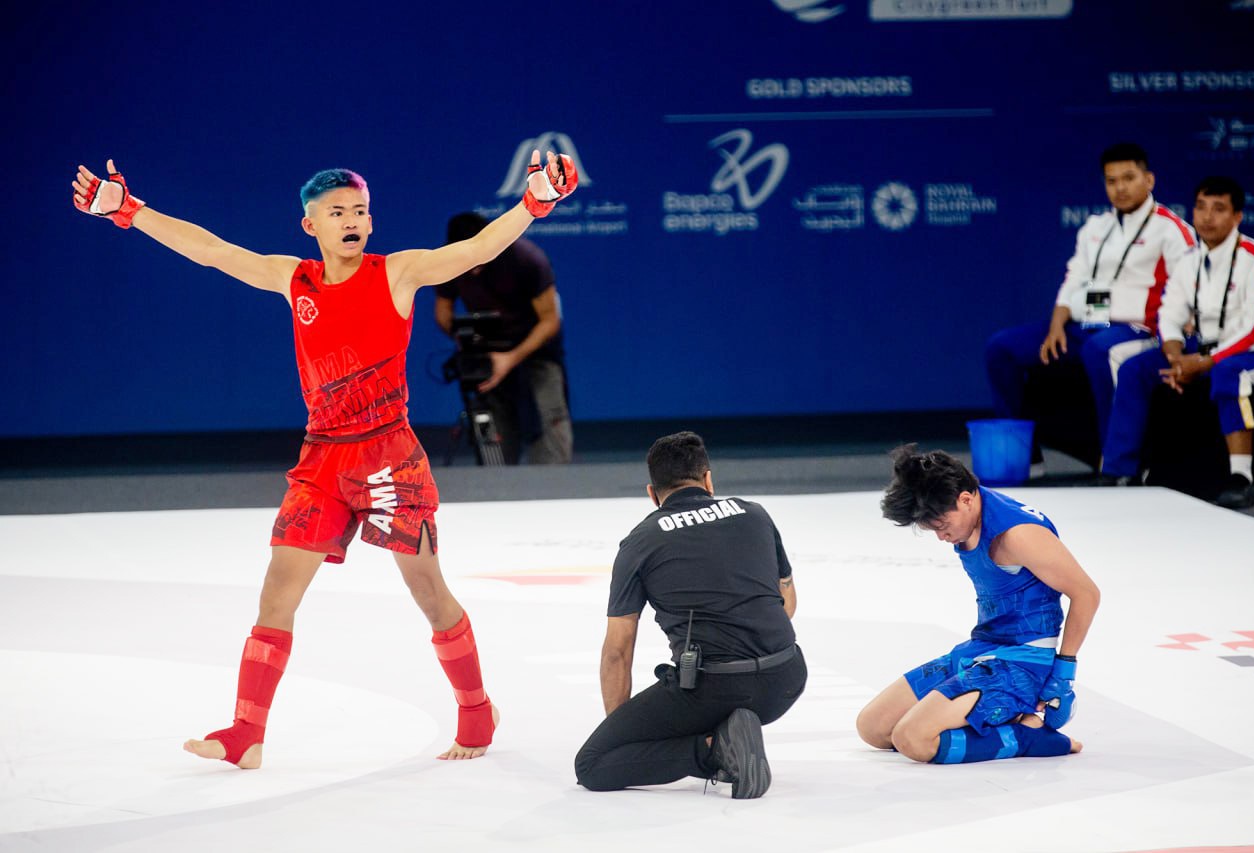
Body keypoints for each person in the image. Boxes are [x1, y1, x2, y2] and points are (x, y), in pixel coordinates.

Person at [71, 150, 578, 768]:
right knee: (276, 596)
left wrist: (534, 203)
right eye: (337, 211)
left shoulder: (399, 273)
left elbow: (472, 253)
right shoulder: (296, 279)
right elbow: (212, 251)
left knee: (429, 592)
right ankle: (246, 734)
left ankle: (475, 710)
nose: (352, 220)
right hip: (321, 463)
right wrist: (130, 210)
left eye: (361, 210)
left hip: (390, 456)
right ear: (310, 224)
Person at [575, 432, 806, 799]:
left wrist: (624, 732)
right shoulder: (756, 514)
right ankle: (734, 727)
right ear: (709, 480)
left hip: (713, 686)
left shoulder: (642, 541)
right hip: (786, 679)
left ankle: (716, 749)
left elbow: (618, 649)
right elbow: (786, 602)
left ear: (652, 494)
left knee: (593, 764)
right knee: (720, 690)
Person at [856, 445, 1101, 765]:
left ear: (966, 499)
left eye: (942, 525)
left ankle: (1027, 738)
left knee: (912, 739)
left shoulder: (1018, 536)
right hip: (982, 649)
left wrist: (1062, 674)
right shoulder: (962, 505)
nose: (941, 537)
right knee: (873, 728)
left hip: (1022, 663)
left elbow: (1086, 593)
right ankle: (1009, 720)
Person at [985, 143, 1196, 462]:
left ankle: (1114, 459)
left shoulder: (1172, 230)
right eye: (1111, 181)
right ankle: (1023, 455)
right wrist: (1057, 324)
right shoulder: (1095, 227)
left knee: (1100, 351)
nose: (1120, 188)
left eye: (1128, 178)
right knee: (1002, 348)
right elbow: (1074, 277)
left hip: (1139, 327)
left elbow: (1188, 288)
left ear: (1149, 180)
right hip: (1086, 324)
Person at [1100, 176, 1254, 508]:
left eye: (1219, 209)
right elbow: (1170, 315)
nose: (1207, 217)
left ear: (1237, 217)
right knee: (1134, 369)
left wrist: (1205, 363)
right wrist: (1175, 355)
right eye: (1201, 207)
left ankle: (1242, 479)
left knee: (1230, 374)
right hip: (1205, 350)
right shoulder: (1190, 260)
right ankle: (1119, 470)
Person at [436, 212, 572, 465]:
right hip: (488, 349)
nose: (472, 271)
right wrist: (464, 341)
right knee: (494, 422)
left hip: (535, 347)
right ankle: (496, 481)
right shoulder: (447, 261)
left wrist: (510, 358)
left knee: (548, 413)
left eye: (476, 261)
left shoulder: (526, 258)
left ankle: (553, 487)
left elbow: (550, 321)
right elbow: (443, 311)